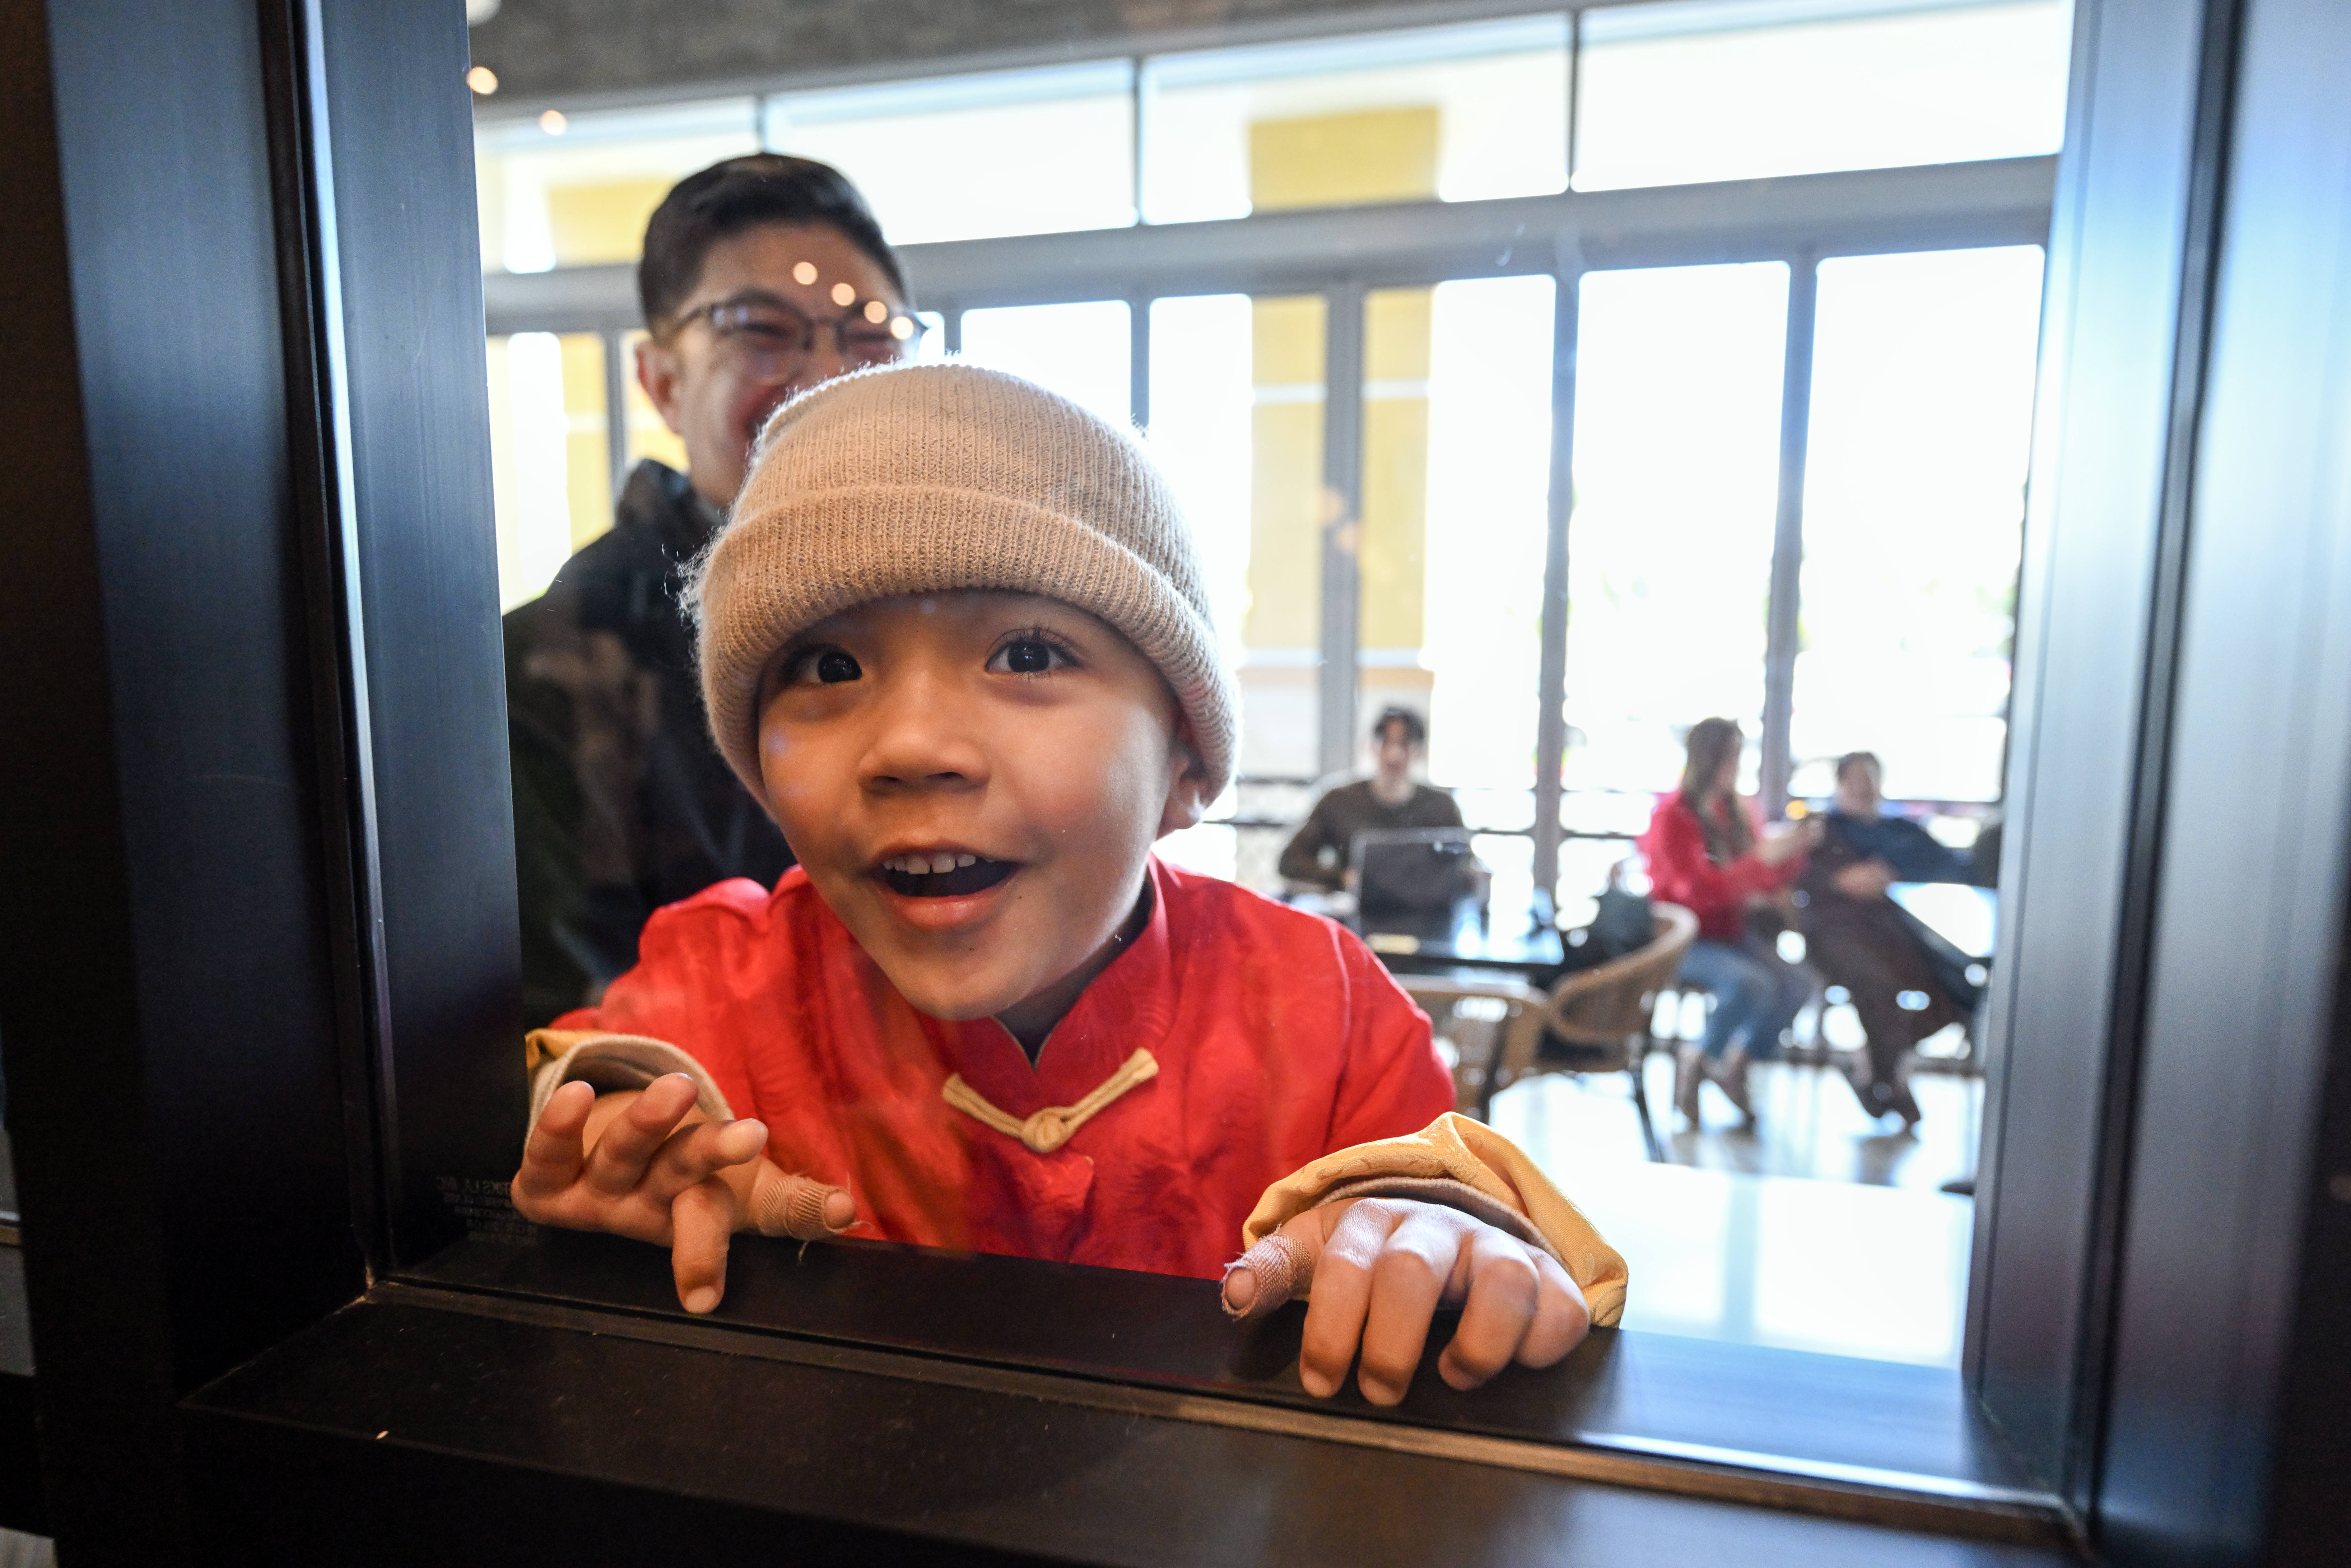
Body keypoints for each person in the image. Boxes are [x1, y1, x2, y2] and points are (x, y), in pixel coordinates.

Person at [508, 365, 1627, 1407]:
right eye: (829, 667)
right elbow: (575, 1075)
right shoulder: (732, 980)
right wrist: (615, 1129)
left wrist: (1434, 1232)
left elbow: (1438, 1188)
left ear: (1183, 760)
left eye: (1028, 655)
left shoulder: (1322, 1012)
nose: (910, 746)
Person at [504, 155, 923, 1026]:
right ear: (662, 381)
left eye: (870, 333)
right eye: (761, 330)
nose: (827, 377)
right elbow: (574, 1019)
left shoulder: (948, 619)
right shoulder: (560, 660)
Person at [1637, 718, 1819, 1129]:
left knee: (1798, 984)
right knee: (1751, 984)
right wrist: (1760, 863)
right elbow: (1694, 894)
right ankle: (1699, 1059)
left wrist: (1791, 852)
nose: (1735, 764)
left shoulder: (1738, 811)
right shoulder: (1671, 816)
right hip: (1683, 938)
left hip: (1732, 933)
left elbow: (1759, 879)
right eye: (1729, 755)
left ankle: (1737, 1064)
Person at [1796, 751, 1983, 1128]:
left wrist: (1890, 871)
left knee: (1959, 991)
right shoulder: (1821, 832)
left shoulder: (1901, 832)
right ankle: (1891, 1081)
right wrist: (1843, 882)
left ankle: (1875, 1062)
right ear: (1839, 784)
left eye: (1869, 779)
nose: (1863, 788)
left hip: (1895, 934)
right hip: (1838, 937)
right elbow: (1801, 878)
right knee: (1877, 989)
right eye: (1854, 780)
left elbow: (1953, 867)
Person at [1278, 707, 1465, 892]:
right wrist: (1341, 878)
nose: (1394, 755)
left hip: (1423, 908)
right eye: (1386, 742)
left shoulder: (1442, 807)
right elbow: (1291, 861)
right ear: (1371, 746)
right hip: (1354, 906)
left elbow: (1463, 868)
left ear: (1420, 752)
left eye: (1405, 744)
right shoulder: (1339, 801)